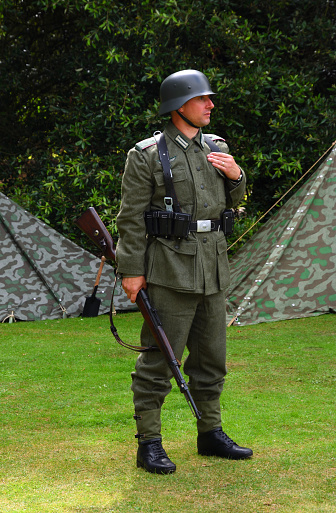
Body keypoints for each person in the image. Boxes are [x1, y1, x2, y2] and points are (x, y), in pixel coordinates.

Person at [116, 69, 253, 474]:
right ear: (180, 106)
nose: (211, 105)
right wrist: (131, 271)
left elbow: (234, 199)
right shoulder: (146, 155)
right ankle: (150, 443)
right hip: (170, 271)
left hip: (213, 267)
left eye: (210, 98)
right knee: (161, 360)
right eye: (203, 99)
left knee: (211, 360)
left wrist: (236, 176)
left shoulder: (216, 147)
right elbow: (131, 219)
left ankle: (210, 433)